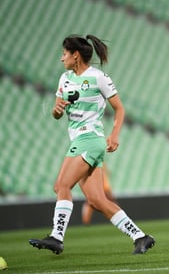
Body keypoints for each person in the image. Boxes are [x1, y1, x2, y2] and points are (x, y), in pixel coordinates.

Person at [29, 34, 155, 255]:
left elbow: (120, 108)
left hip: (90, 139)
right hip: (81, 140)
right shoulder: (64, 79)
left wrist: (115, 135)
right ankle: (141, 237)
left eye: (64, 54)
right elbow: (57, 112)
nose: (61, 58)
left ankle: (57, 237)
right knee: (96, 200)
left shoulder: (98, 77)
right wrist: (56, 111)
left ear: (75, 55)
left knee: (61, 186)